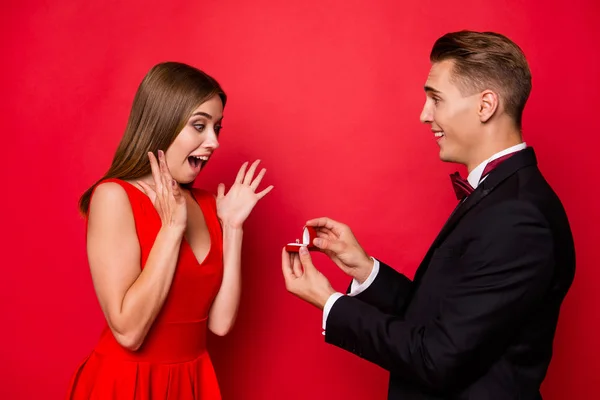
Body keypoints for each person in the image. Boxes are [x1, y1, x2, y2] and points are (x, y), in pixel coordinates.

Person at [282, 30, 575, 399]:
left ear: (486, 106)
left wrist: (329, 303)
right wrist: (363, 268)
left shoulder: (519, 217)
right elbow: (444, 320)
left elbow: (437, 356)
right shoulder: (502, 195)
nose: (424, 115)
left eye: (435, 99)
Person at [67, 62, 273, 399]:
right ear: (163, 123)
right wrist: (172, 228)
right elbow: (129, 332)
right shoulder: (114, 197)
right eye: (199, 126)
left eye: (217, 128)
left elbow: (220, 324)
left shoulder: (209, 205)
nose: (214, 142)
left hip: (191, 381)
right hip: (126, 384)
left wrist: (233, 228)